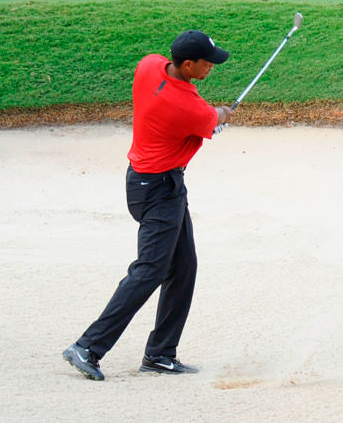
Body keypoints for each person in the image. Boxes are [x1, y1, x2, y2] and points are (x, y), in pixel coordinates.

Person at [62, 30, 234, 381]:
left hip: (151, 183)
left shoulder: (150, 65)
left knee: (183, 267)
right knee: (150, 270)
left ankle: (160, 354)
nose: (212, 67)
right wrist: (222, 114)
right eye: (207, 63)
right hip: (158, 190)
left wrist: (213, 117)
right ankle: (88, 346)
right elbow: (209, 118)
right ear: (187, 64)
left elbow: (203, 116)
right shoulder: (187, 107)